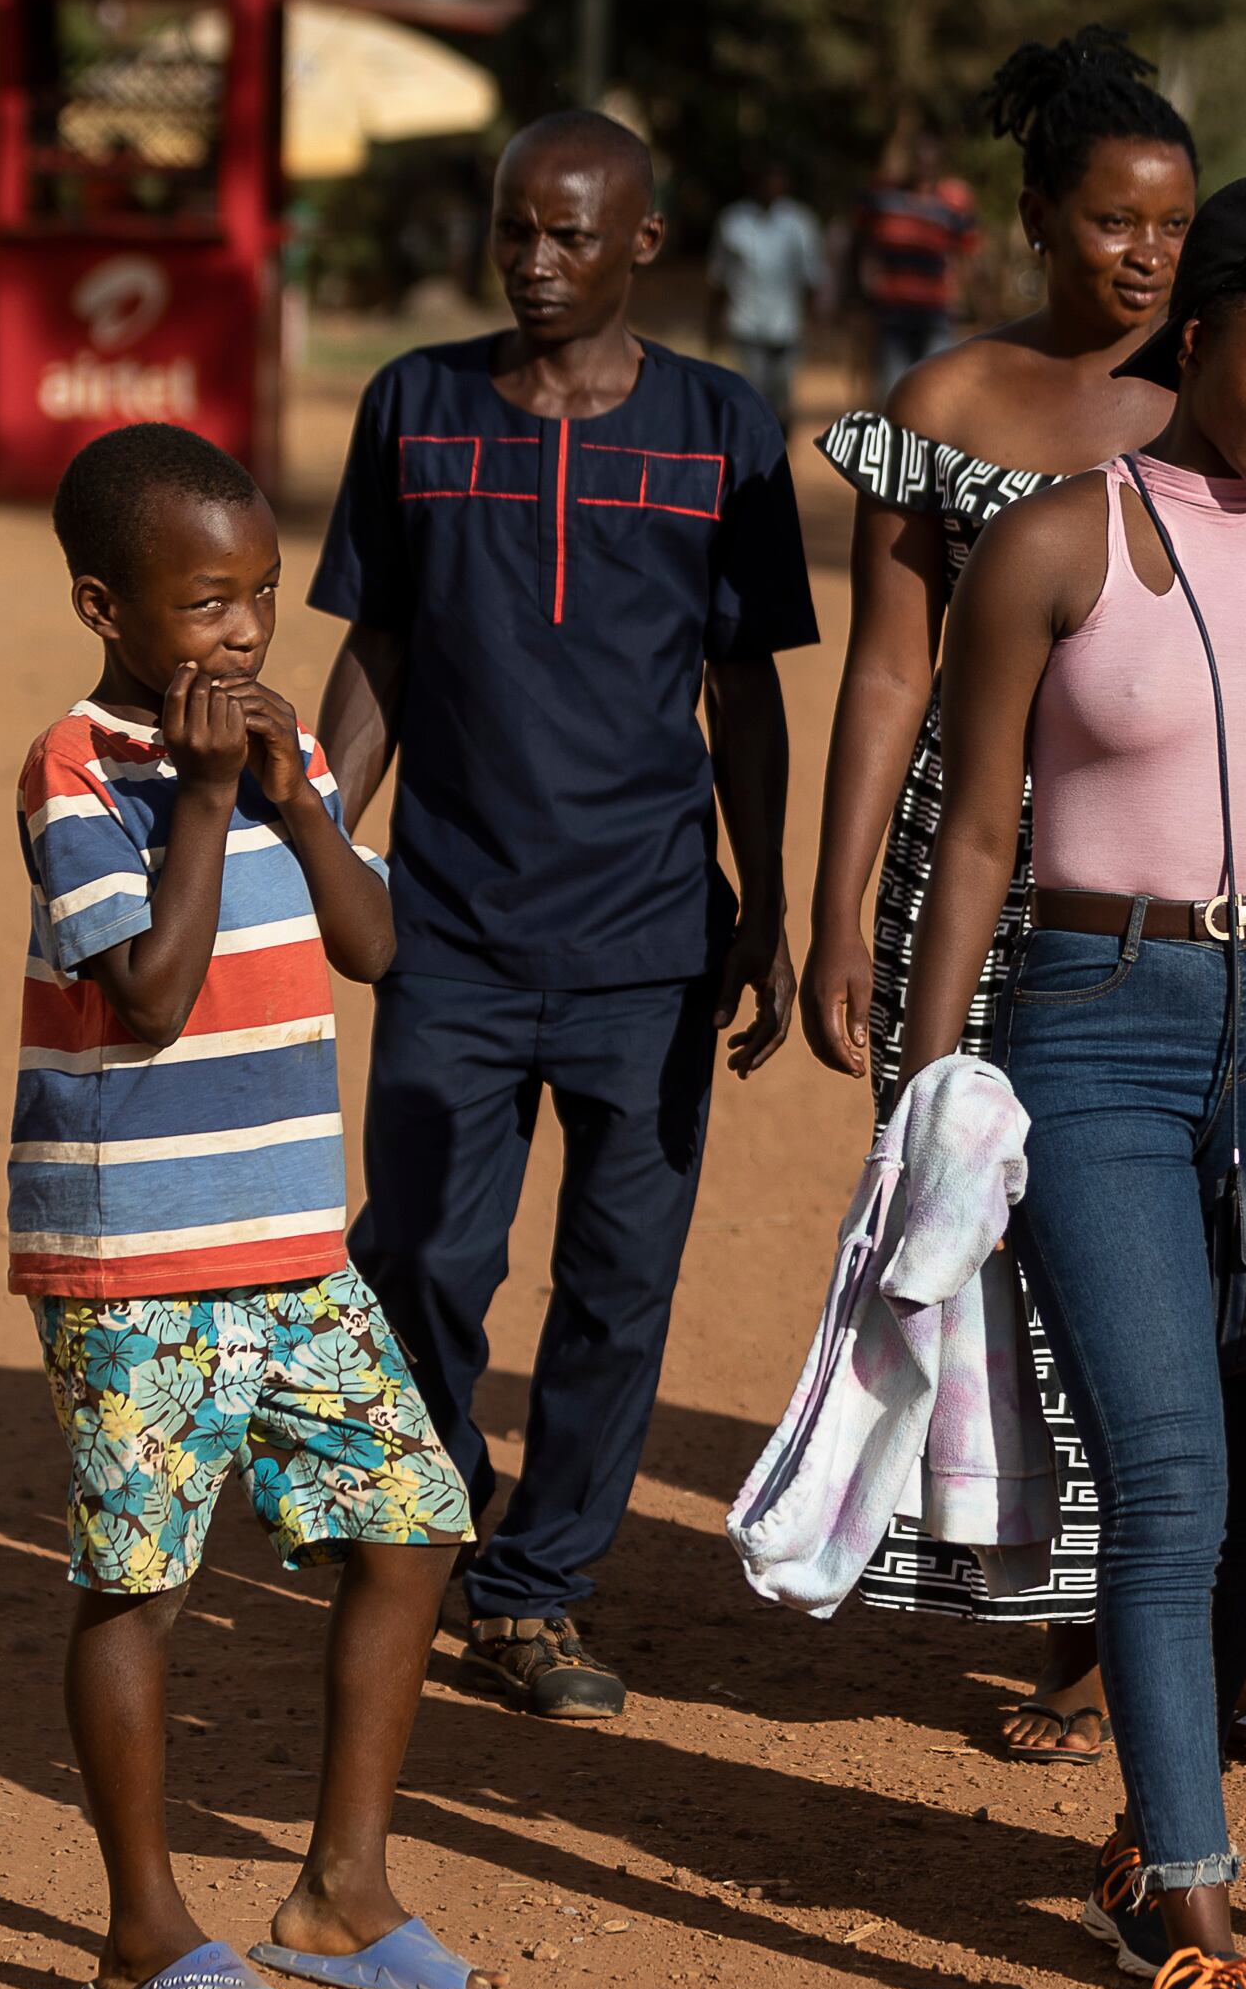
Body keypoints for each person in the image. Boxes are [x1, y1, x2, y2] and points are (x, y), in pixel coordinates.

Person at [898, 169, 1246, 1989]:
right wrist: (934, 1095)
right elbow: (968, 840)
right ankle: (1200, 1930)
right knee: (1169, 1475)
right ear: (1192, 336)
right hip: (1092, 1040)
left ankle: (1143, 1830)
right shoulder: (1048, 543)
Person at [806, 29, 1246, 1774]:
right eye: (1113, 220)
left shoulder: (1229, 412)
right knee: (1026, 1259)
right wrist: (837, 913)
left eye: (1172, 223)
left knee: (1232, 1283)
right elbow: (888, 682)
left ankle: (1221, 1630)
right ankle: (1072, 1622)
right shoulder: (951, 407)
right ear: (1037, 221)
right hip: (992, 892)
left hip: (1215, 893)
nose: (1142, 251)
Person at [312, 111, 818, 1721]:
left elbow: (745, 692)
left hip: (651, 942)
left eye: (572, 235)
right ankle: (430, 1517)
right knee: (418, 1260)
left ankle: (535, 1594)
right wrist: (321, 832)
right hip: (450, 929)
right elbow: (380, 650)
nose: (536, 259)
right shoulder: (415, 405)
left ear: (642, 247)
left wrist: (773, 907)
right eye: (514, 228)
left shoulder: (724, 431)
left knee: (616, 1287)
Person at [11, 421, 510, 1989]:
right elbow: (146, 996)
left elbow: (375, 943)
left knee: (415, 1521)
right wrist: (212, 800)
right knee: (138, 1581)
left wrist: (297, 803)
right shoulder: (76, 769)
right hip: (138, 1259)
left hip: (296, 1246)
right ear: (106, 605)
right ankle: (142, 1931)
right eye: (205, 604)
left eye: (264, 598)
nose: (240, 636)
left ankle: (341, 1890)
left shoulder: (281, 753)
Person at [855, 127, 984, 394]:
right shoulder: (883, 197)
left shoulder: (954, 203)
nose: (924, 164)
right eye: (918, 157)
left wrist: (972, 302)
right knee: (893, 390)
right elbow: (863, 248)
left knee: (934, 392)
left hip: (935, 314)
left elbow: (968, 254)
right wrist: (862, 291)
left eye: (930, 157)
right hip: (891, 312)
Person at [710, 162, 827, 430]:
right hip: (747, 326)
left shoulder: (799, 224)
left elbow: (812, 279)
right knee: (753, 398)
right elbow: (719, 279)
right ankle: (754, 458)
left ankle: (779, 454)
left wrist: (812, 321)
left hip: (787, 328)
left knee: (782, 401)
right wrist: (713, 324)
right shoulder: (734, 222)